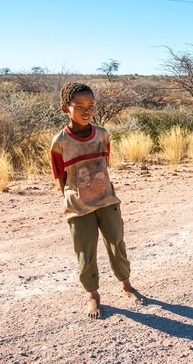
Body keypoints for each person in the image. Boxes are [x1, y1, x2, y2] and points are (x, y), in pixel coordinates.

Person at [50, 82, 145, 319]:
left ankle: (126, 285)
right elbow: (61, 176)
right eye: (79, 105)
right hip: (78, 206)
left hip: (107, 200)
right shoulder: (59, 142)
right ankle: (92, 294)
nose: (86, 110)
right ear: (65, 108)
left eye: (90, 105)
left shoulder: (102, 134)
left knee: (116, 243)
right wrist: (71, 199)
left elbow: (104, 166)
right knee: (85, 251)